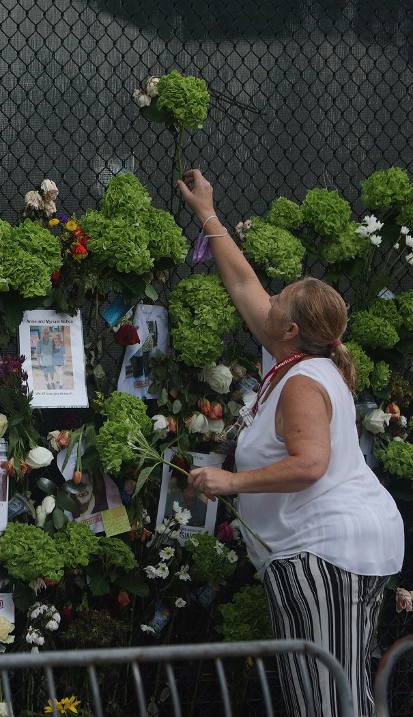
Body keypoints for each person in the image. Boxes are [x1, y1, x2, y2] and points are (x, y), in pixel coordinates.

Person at [178, 169, 403, 717]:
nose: (270, 298)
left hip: (324, 550)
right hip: (335, 548)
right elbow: (243, 285)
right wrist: (207, 212)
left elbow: (311, 464)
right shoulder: (296, 360)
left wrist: (232, 481)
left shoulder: (302, 380)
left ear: (291, 330)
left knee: (327, 702)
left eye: (281, 300)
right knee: (338, 694)